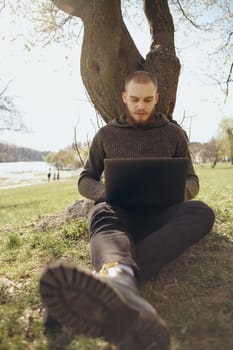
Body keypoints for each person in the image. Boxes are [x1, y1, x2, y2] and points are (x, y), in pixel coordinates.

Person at [40, 71, 215, 350]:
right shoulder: (106, 135)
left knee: (201, 212)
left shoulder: (173, 134)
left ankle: (111, 281)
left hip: (161, 215)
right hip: (118, 212)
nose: (141, 106)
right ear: (124, 97)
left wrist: (179, 192)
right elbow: (86, 179)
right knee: (100, 213)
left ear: (156, 98)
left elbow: (191, 179)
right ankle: (117, 277)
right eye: (134, 99)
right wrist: (104, 193)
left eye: (147, 99)